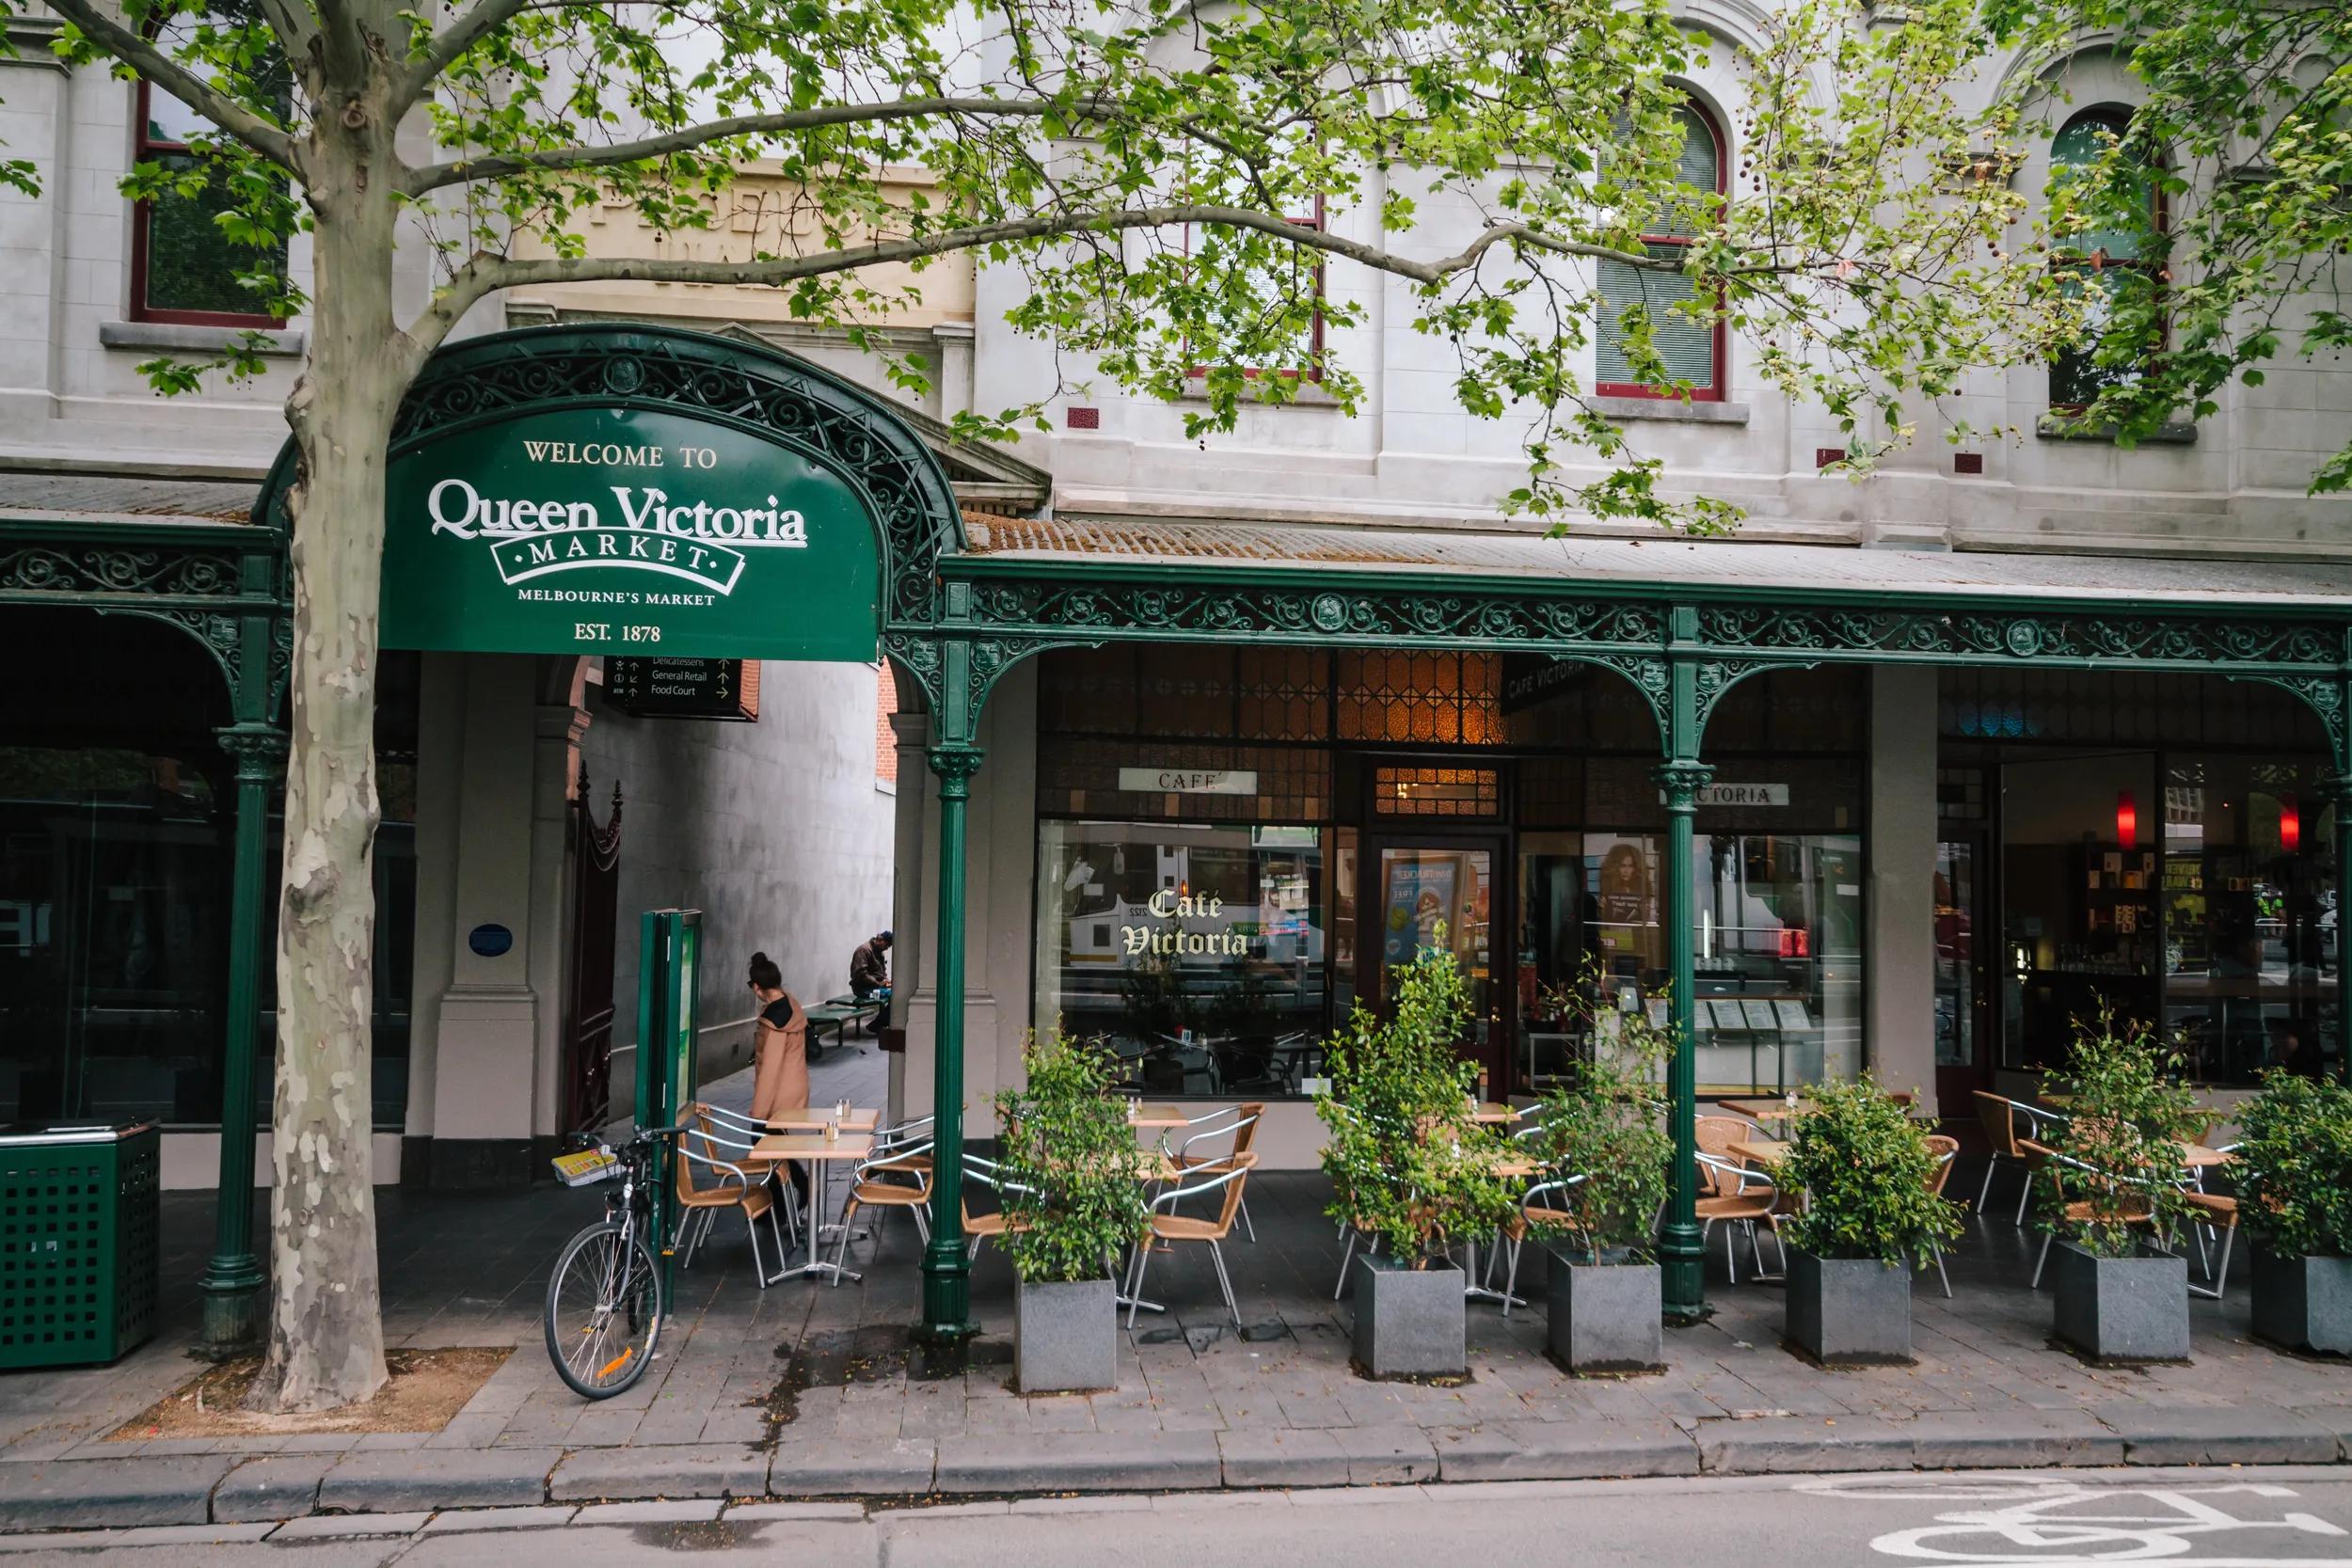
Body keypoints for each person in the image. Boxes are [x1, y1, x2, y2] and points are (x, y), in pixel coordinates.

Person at [746, 952, 811, 1210]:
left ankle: (785, 1201)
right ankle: (787, 1199)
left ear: (757, 987)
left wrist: (758, 1112)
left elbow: (770, 1071)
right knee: (774, 1145)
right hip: (793, 1087)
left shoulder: (774, 1021)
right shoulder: (791, 1005)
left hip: (777, 1094)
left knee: (762, 1143)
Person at [850, 929, 893, 1000]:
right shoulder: (864, 950)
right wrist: (878, 983)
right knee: (892, 994)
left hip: (875, 986)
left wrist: (886, 980)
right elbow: (861, 974)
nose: (886, 949)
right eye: (886, 945)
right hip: (863, 989)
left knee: (897, 991)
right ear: (880, 940)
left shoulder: (879, 952)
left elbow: (882, 972)